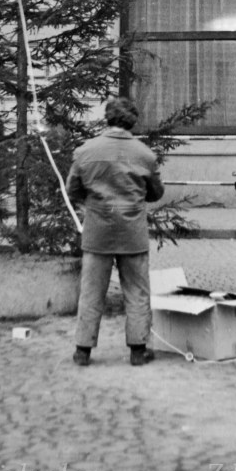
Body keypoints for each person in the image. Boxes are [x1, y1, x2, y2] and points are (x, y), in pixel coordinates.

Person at [65, 96, 164, 367]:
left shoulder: (86, 151)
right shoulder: (145, 154)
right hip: (132, 234)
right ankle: (137, 350)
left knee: (91, 292)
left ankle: (82, 350)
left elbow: (73, 190)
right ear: (132, 121)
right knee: (137, 292)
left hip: (97, 233)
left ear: (107, 118)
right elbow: (156, 193)